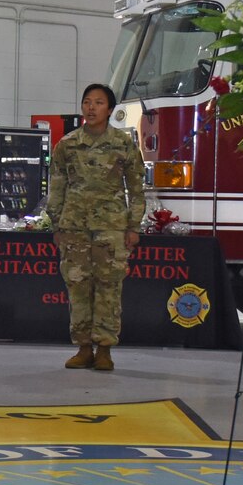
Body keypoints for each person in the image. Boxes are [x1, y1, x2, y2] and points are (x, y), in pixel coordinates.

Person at [47, 83, 146, 372]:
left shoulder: (123, 143)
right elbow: (57, 186)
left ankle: (104, 349)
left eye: (99, 103)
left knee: (108, 287)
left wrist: (133, 226)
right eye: (87, 102)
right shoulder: (67, 144)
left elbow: (137, 188)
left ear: (110, 110)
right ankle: (83, 347)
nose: (91, 108)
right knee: (77, 285)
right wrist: (57, 223)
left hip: (112, 228)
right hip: (74, 227)